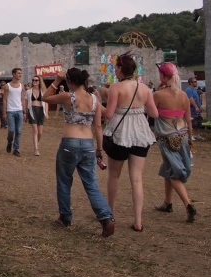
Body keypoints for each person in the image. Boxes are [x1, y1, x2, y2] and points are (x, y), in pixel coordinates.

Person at [42, 68, 115, 237]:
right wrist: (99, 148)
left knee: (64, 181)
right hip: (88, 143)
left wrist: (56, 81)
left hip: (70, 141)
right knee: (91, 183)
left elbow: (45, 97)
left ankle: (65, 216)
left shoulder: (69, 96)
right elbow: (98, 126)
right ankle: (105, 218)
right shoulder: (94, 99)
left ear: (70, 82)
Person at [102, 54, 158, 232]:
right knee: (137, 178)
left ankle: (110, 213)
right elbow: (155, 114)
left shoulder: (115, 88)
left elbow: (109, 114)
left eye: (115, 68)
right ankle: (138, 221)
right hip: (140, 132)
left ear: (120, 69)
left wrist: (97, 105)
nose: (114, 70)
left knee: (114, 175)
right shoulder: (144, 89)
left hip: (120, 131)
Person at [151, 62, 197, 224]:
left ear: (163, 76)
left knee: (173, 173)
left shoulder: (159, 95)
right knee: (167, 168)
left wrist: (156, 92)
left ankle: (188, 204)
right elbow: (188, 121)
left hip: (167, 138)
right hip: (183, 135)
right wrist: (190, 138)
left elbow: (151, 113)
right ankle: (168, 202)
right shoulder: (183, 95)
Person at [3, 68, 26, 156]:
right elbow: (4, 99)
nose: (20, 75)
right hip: (10, 111)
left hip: (19, 110)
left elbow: (23, 99)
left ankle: (16, 149)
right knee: (11, 130)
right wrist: (4, 112)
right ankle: (9, 142)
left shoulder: (21, 86)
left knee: (19, 131)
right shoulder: (7, 86)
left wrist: (24, 112)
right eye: (18, 73)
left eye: (21, 73)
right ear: (13, 74)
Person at [26, 76, 47, 156]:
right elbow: (25, 101)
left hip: (41, 110)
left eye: (36, 80)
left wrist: (46, 113)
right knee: (35, 130)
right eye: (33, 80)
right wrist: (25, 112)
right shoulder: (28, 91)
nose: (34, 81)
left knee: (40, 132)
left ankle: (37, 143)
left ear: (39, 82)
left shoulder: (43, 91)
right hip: (32, 110)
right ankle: (36, 149)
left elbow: (46, 102)